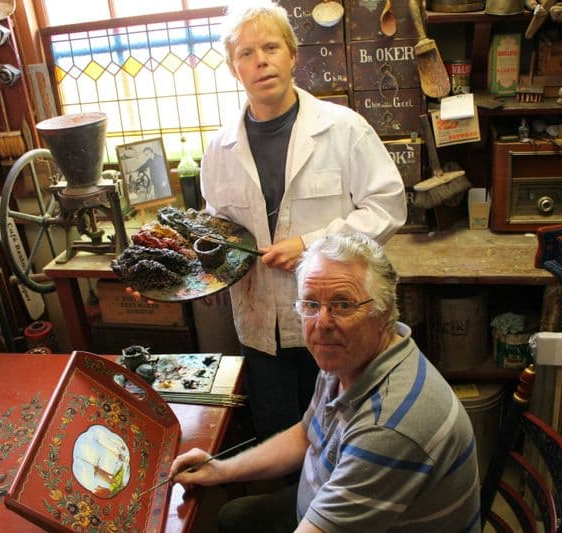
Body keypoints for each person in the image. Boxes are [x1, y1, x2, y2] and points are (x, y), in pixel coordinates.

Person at [168, 232, 480, 532]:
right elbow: (307, 435)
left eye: (343, 304)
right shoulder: (350, 355)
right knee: (233, 517)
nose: (322, 323)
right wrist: (220, 468)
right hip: (326, 498)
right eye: (311, 304)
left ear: (383, 311)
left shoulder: (389, 426)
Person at [197, 0, 407, 441]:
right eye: (246, 54)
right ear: (234, 68)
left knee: (343, 438)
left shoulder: (343, 128)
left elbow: (387, 205)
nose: (261, 61)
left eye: (271, 47)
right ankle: (289, 513)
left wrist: (312, 244)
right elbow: (216, 226)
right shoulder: (219, 149)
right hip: (260, 327)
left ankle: (333, 512)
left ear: (293, 54)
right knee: (278, 436)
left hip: (335, 323)